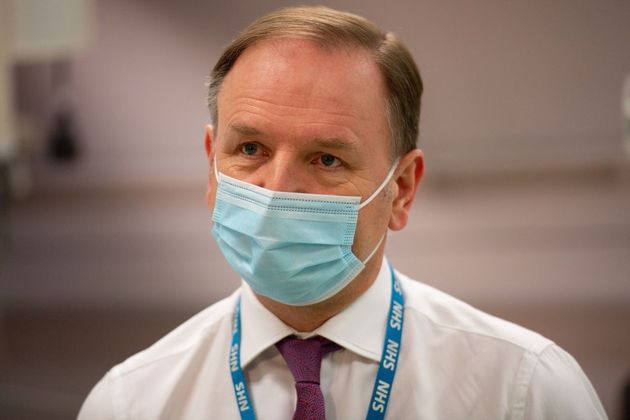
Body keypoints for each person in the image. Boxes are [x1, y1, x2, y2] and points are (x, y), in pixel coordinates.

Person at [78, 6, 607, 419]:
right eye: (250, 150)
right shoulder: (131, 403)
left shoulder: (523, 391)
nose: (278, 188)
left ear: (401, 189)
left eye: (327, 158)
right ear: (210, 164)